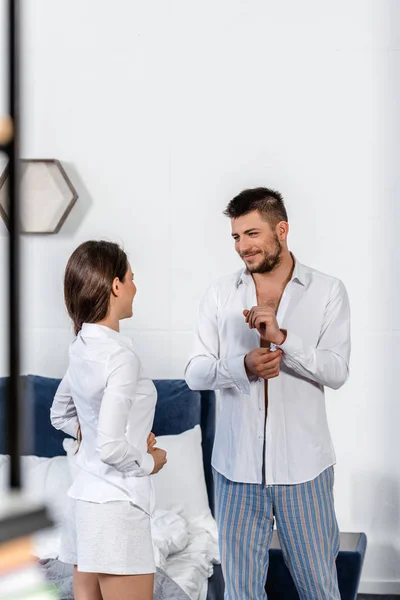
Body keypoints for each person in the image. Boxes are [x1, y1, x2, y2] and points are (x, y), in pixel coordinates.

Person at [185, 188, 350, 600]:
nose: (243, 247)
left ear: (282, 229)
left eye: (252, 234)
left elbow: (337, 370)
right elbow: (195, 372)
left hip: (305, 473)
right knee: (241, 593)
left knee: (319, 589)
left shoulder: (328, 291)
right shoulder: (220, 294)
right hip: (235, 471)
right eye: (237, 237)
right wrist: (242, 366)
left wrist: (283, 341)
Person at [51, 240, 167, 600]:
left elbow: (60, 415)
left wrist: (95, 432)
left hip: (84, 507)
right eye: (131, 278)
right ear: (116, 286)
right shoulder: (119, 357)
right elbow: (111, 447)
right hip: (117, 511)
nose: (135, 287)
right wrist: (151, 461)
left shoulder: (81, 346)